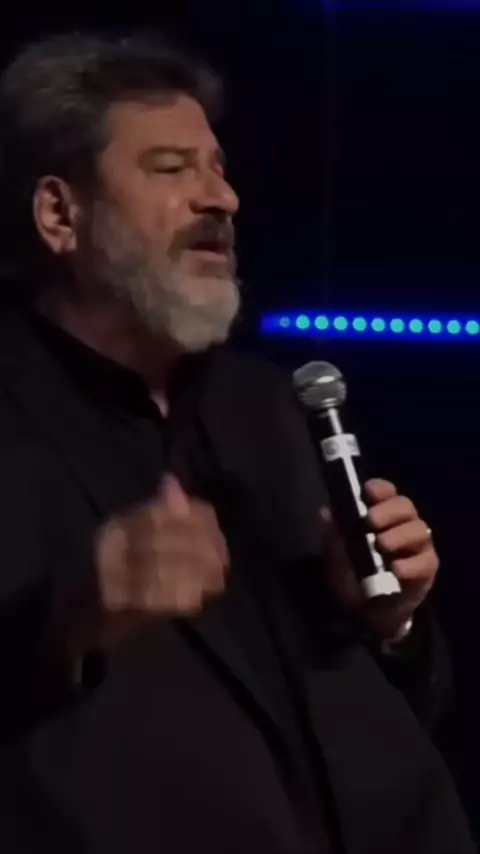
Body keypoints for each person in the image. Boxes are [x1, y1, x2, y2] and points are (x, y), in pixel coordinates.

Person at [0, 31, 474, 854]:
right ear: (59, 215)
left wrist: (393, 624)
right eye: (172, 169)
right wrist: (71, 618)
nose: (221, 199)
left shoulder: (274, 407)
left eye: (218, 168)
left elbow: (398, 711)